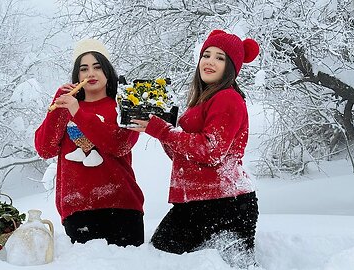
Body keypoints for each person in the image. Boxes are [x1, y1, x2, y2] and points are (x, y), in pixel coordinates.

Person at [130, 30, 260, 267]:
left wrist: (163, 131)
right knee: (161, 257)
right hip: (196, 202)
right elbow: (183, 155)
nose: (209, 61)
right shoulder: (202, 102)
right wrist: (162, 129)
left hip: (226, 202)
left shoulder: (228, 98)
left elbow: (211, 151)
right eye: (206, 55)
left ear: (231, 67)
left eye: (220, 57)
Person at [35, 38, 144, 247]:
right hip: (78, 209)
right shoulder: (65, 108)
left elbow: (118, 145)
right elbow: (44, 149)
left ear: (107, 72)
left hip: (122, 207)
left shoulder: (124, 106)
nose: (90, 74)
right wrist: (58, 108)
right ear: (77, 76)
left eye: (97, 67)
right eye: (84, 69)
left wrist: (78, 112)